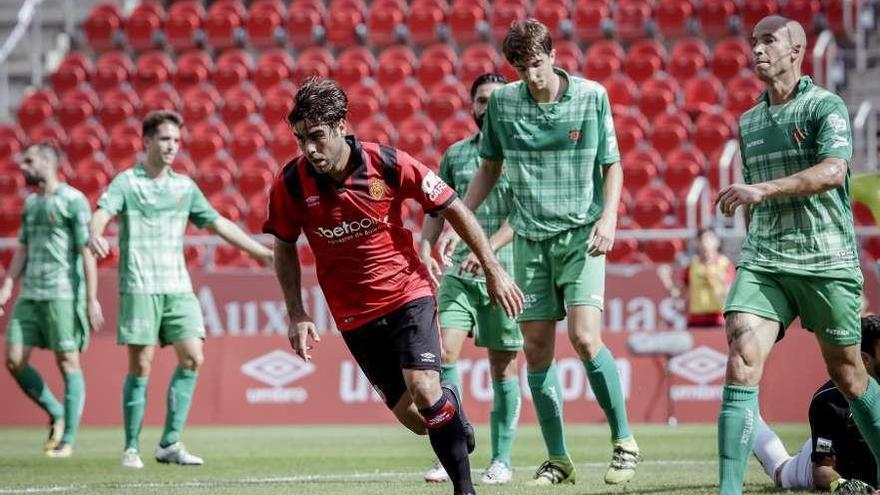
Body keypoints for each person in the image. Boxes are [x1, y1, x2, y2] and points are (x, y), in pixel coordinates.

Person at [264, 78, 523, 495]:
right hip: (353, 314)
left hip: (407, 294)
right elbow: (284, 245)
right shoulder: (291, 184)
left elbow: (452, 206)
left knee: (424, 388)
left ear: (341, 126)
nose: (309, 149)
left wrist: (494, 269)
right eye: (300, 140)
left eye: (316, 137)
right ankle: (450, 409)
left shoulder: (387, 163)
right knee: (420, 421)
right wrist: (296, 312)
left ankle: (464, 489)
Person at [445, 18, 639, 486]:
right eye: (520, 67)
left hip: (581, 235)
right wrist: (460, 217)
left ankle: (624, 442)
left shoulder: (592, 96)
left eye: (536, 64)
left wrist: (609, 218)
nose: (530, 75)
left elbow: (612, 165)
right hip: (530, 242)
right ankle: (559, 459)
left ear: (552, 56)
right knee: (534, 351)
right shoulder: (505, 104)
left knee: (586, 337)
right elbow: (489, 167)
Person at [715, 15, 880, 495]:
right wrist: (752, 232)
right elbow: (750, 201)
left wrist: (763, 190)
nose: (758, 50)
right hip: (766, 258)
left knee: (848, 373)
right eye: (753, 43)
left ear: (796, 50)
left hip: (825, 258)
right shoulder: (749, 121)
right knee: (742, 354)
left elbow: (832, 171)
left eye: (768, 41)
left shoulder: (825, 106)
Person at [87, 110, 274, 469]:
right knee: (141, 365)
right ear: (147, 141)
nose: (172, 146)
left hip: (177, 287)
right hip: (140, 286)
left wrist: (260, 253)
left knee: (192, 356)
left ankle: (169, 443)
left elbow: (217, 223)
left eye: (175, 140)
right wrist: (95, 233)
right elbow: (102, 211)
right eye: (164, 139)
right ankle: (130, 447)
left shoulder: (183, 187)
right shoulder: (127, 183)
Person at [419, 73, 522, 485]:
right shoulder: (457, 155)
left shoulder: (520, 153)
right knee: (442, 354)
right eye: (481, 100)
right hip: (459, 271)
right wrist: (425, 246)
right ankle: (452, 448)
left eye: (495, 100)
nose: (487, 107)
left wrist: (489, 252)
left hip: (508, 272)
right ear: (472, 106)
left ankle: (502, 460)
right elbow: (434, 206)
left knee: (503, 366)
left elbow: (524, 214)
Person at [0, 143, 103, 458]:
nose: (23, 166)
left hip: (63, 293)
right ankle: (56, 412)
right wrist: (6, 286)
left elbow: (86, 250)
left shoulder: (73, 201)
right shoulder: (31, 204)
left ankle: (67, 439)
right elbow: (24, 249)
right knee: (14, 359)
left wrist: (91, 299)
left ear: (49, 163)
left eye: (29, 161)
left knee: (67, 362)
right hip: (30, 293)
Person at [752, 316, 880, 494]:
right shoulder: (829, 401)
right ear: (865, 359)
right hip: (828, 459)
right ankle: (746, 415)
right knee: (781, 472)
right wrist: (847, 487)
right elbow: (822, 470)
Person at [657, 227, 735, 328]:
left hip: (719, 321)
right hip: (696, 321)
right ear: (698, 243)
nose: (706, 243)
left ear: (717, 242)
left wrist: (721, 283)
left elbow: (730, 295)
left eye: (709, 239)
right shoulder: (692, 266)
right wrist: (666, 279)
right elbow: (677, 294)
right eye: (702, 239)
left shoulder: (725, 265)